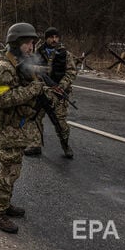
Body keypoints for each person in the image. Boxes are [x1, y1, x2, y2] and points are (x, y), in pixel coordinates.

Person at [0, 23, 44, 234]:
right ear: (16, 43)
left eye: (32, 43)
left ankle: (4, 204)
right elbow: (1, 99)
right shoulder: (4, 67)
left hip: (16, 127)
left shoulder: (19, 63)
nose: (31, 47)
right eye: (28, 43)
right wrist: (32, 90)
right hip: (8, 128)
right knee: (8, 171)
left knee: (14, 170)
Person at [24, 27, 77, 158]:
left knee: (60, 122)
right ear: (46, 38)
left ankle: (65, 146)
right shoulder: (37, 52)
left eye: (56, 37)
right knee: (34, 118)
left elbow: (71, 72)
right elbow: (28, 70)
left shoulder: (65, 54)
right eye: (51, 37)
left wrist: (61, 87)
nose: (54, 40)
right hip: (40, 92)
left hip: (58, 93)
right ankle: (35, 145)